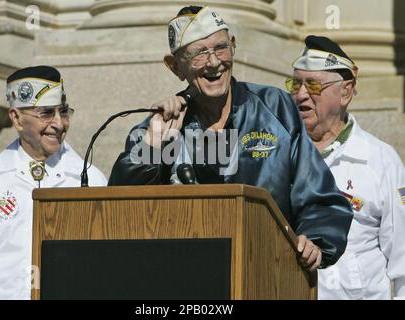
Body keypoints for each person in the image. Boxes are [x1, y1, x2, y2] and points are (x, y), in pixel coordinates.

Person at [109, 6, 353, 272]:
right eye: (199, 53)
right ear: (175, 67)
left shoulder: (275, 108)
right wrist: (152, 146)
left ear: (233, 46)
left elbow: (321, 198)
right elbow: (120, 211)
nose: (214, 62)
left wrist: (316, 239)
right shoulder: (159, 128)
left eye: (221, 48)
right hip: (186, 279)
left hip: (268, 273)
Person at [0, 66, 107, 299]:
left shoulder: (90, 179)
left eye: (64, 112)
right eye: (47, 113)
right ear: (16, 118)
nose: (59, 124)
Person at [288, 35, 405, 299]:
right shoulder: (277, 153)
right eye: (295, 84)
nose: (301, 94)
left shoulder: (381, 160)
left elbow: (404, 262)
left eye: (314, 85)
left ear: (346, 92)